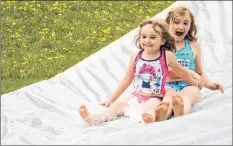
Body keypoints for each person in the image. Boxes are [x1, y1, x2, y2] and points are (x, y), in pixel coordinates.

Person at [78, 19, 201, 126]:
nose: (147, 40)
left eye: (152, 37)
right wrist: (111, 99)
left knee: (150, 108)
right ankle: (93, 118)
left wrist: (194, 83)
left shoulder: (166, 56)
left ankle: (154, 117)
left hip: (155, 96)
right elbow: (127, 79)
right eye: (144, 37)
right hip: (136, 95)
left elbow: (182, 73)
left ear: (162, 40)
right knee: (117, 106)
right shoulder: (136, 55)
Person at [157, 6, 224, 120]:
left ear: (190, 26)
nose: (181, 26)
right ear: (168, 24)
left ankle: (180, 110)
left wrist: (210, 85)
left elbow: (199, 72)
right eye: (176, 22)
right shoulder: (163, 46)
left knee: (188, 95)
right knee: (168, 98)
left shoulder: (193, 45)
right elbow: (163, 71)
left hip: (190, 84)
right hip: (168, 85)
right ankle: (163, 113)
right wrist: (188, 74)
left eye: (185, 23)